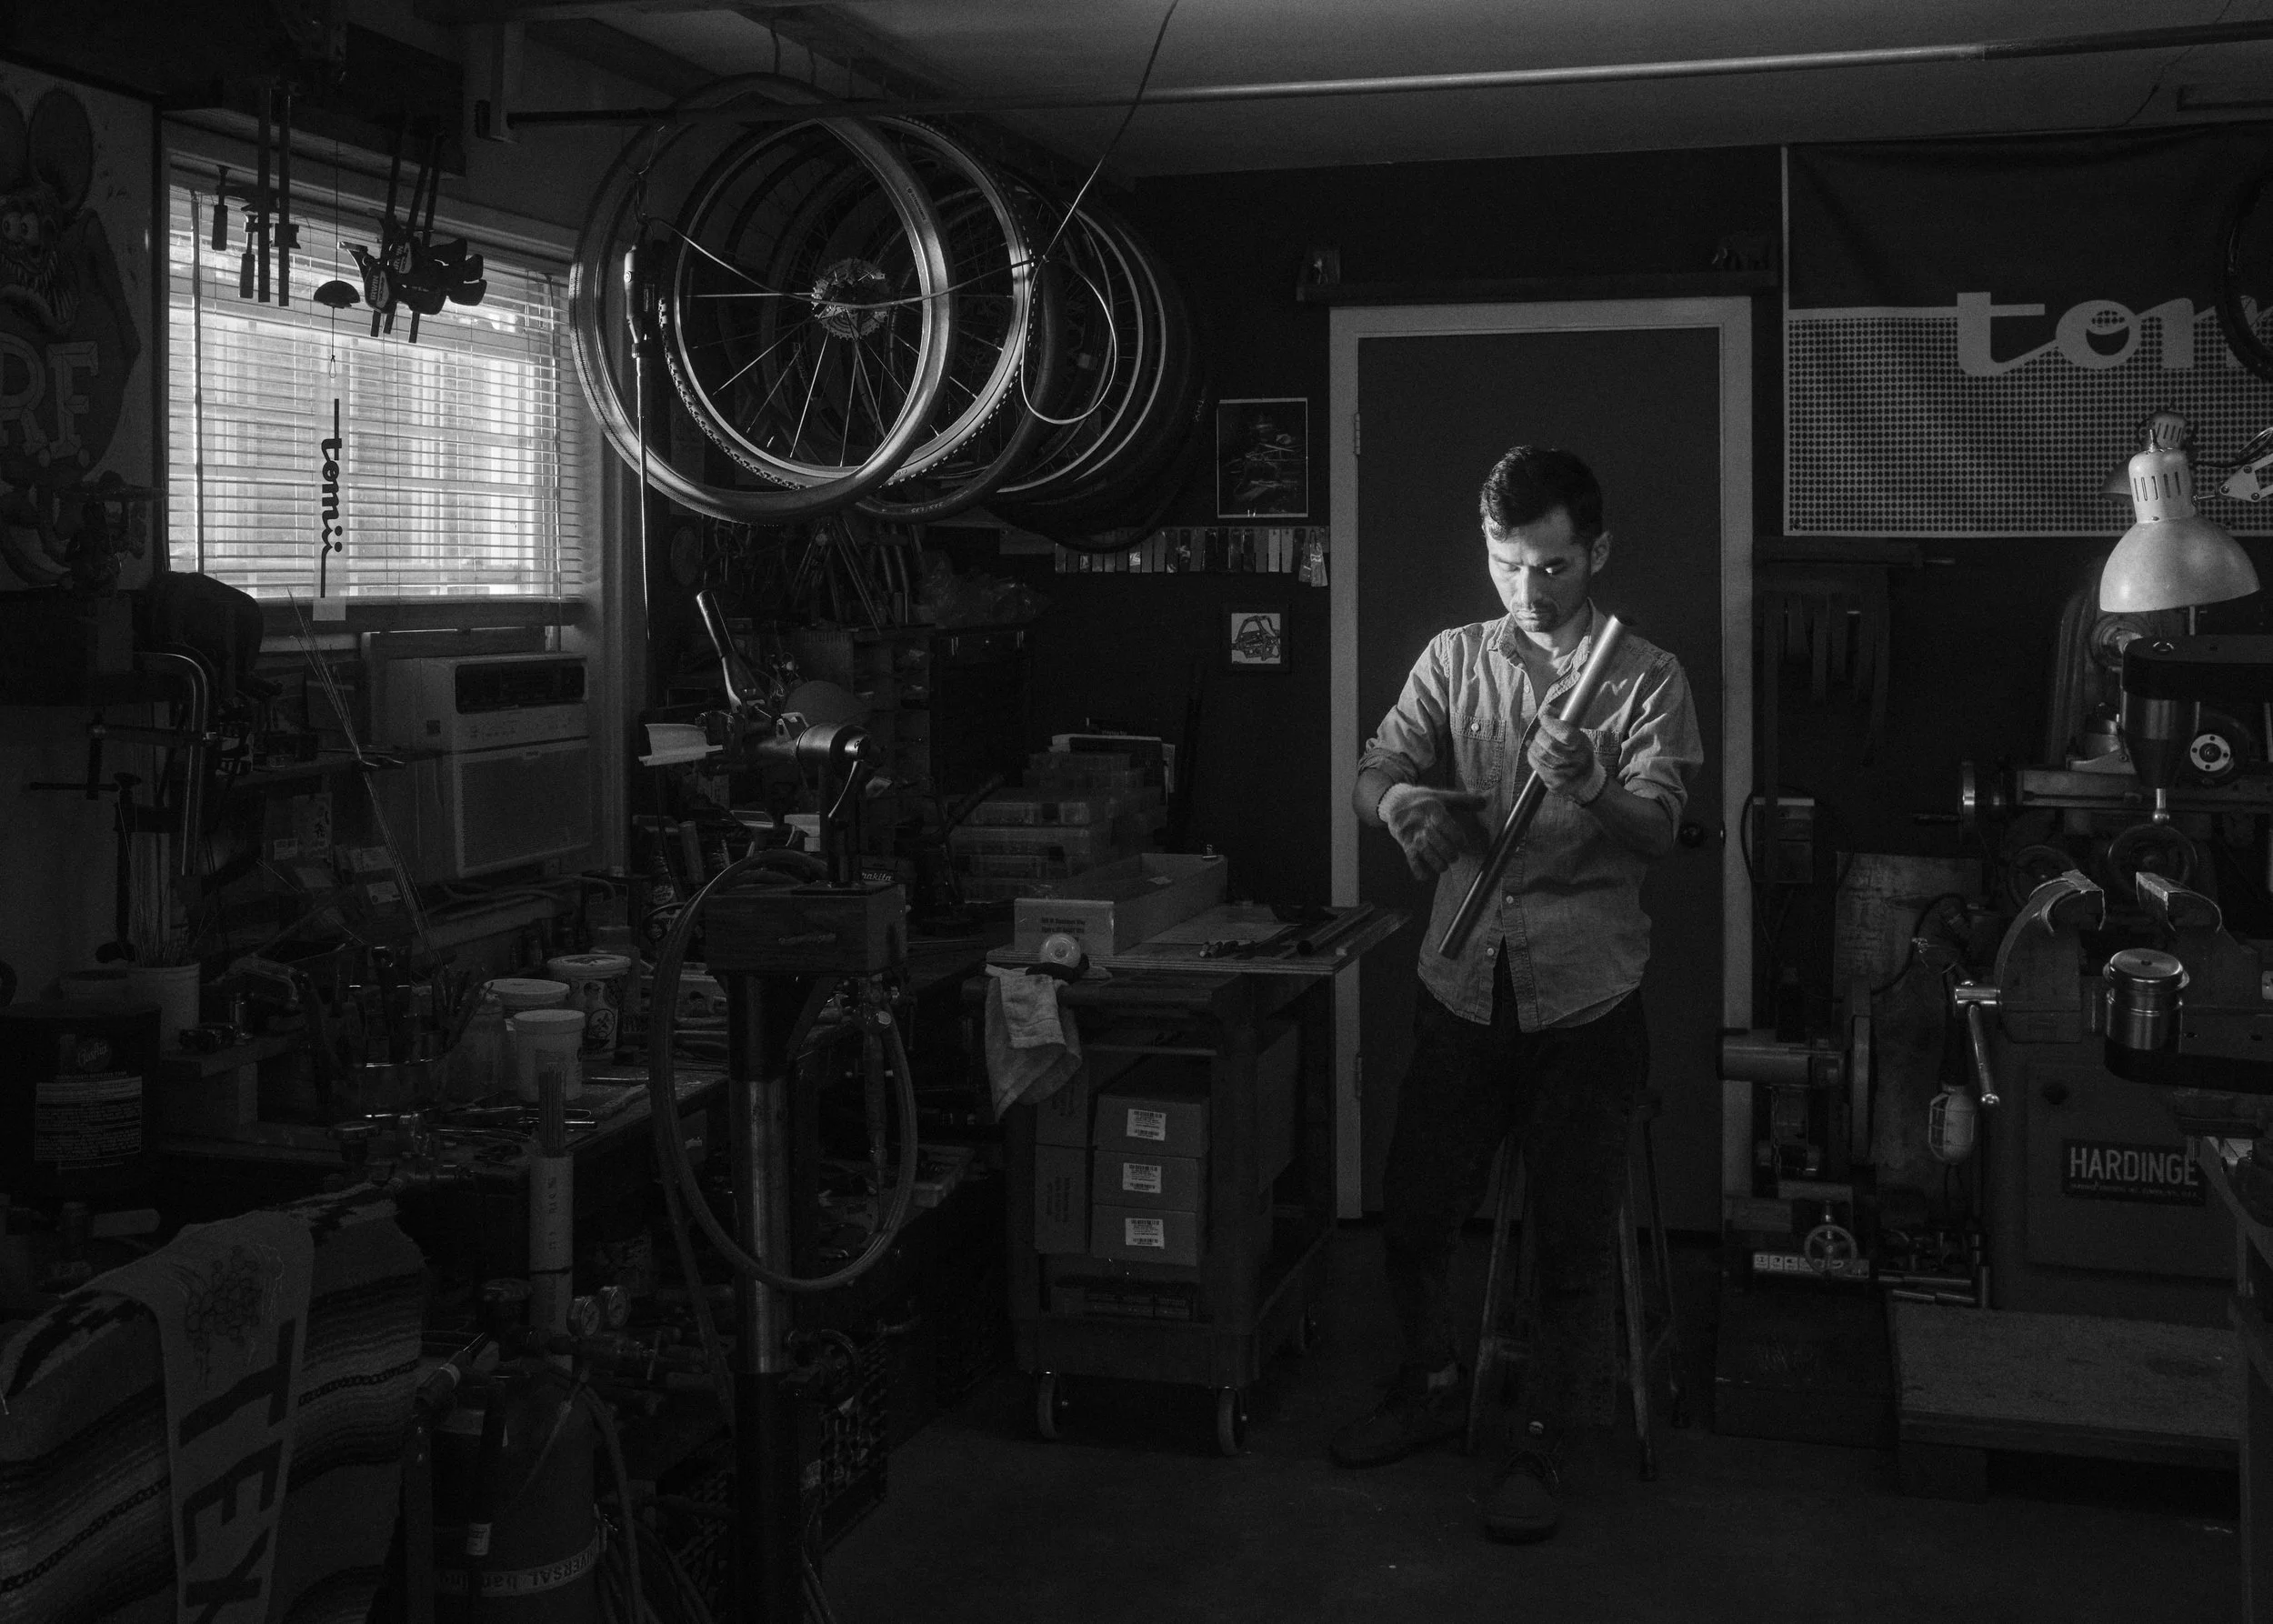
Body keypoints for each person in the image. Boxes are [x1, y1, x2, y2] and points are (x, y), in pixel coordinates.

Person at [1333, 445, 1703, 1543]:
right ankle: (1432, 1383)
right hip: (1460, 985)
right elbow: (1373, 765)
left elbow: (1663, 827)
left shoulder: (1645, 676)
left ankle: (1543, 1438)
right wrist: (1396, 803)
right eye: (1506, 565)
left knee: (1574, 1243)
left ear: (1596, 551)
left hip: (1585, 1002)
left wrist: (1590, 780)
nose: (1527, 590)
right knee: (1412, 1213)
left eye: (1548, 566)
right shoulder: (1454, 659)